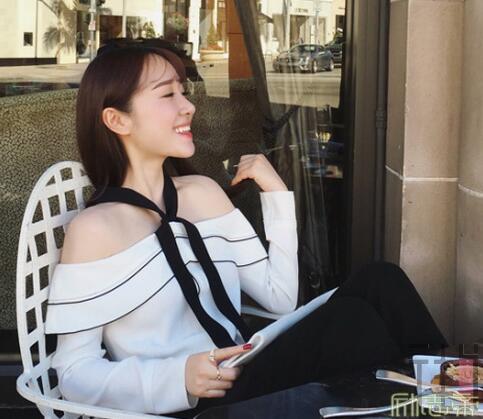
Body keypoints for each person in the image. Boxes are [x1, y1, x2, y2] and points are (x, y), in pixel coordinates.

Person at [45, 43, 448, 418]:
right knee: (352, 322)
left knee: (380, 279)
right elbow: (74, 374)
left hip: (246, 366)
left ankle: (457, 398)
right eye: (167, 94)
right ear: (117, 119)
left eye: (183, 92)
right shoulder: (96, 229)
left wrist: (277, 194)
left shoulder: (202, 194)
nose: (188, 106)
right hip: (190, 404)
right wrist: (178, 377)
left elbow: (279, 299)